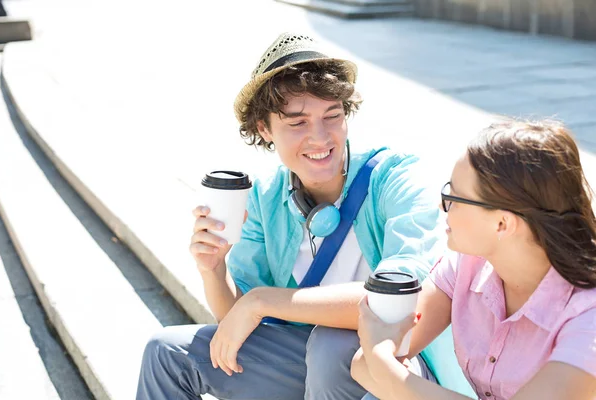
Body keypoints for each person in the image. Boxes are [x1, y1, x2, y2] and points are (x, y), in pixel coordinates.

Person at [136, 32, 471, 400]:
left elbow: (402, 298)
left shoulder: (396, 178)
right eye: (297, 123)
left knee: (330, 347)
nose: (320, 138)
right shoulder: (266, 197)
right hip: (304, 362)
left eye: (333, 116)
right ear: (264, 129)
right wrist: (214, 269)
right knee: (165, 352)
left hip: (391, 364)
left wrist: (262, 301)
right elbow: (236, 320)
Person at [352, 120, 596, 399]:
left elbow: (376, 361)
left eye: (454, 197)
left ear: (503, 224)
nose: (442, 206)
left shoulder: (588, 313)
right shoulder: (466, 264)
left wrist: (382, 360)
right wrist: (381, 364)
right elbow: (362, 368)